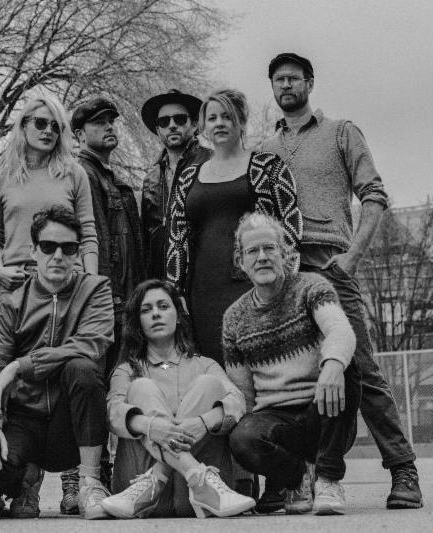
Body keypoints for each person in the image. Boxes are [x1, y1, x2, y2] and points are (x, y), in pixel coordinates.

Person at [260, 52, 422, 510]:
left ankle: (403, 469)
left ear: (310, 83)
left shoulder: (340, 132)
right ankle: (297, 478)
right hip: (285, 274)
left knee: (361, 369)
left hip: (331, 265)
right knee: (293, 375)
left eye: (293, 78)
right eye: (278, 80)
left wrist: (352, 257)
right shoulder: (265, 151)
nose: (286, 85)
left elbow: (374, 195)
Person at [0, 205, 114, 520]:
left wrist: (20, 366)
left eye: (69, 248)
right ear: (34, 251)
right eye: (48, 247)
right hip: (25, 418)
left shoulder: (95, 289)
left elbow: (92, 343)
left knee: (82, 368)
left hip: (71, 422)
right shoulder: (12, 303)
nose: (58, 256)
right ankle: (27, 478)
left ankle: (90, 482)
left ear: (78, 253)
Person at [224, 213, 361, 515]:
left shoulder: (312, 287)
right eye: (252, 251)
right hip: (276, 423)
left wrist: (333, 365)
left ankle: (328, 479)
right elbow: (244, 396)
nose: (262, 257)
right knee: (242, 438)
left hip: (325, 412)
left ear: (284, 253)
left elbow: (340, 330)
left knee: (345, 363)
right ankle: (297, 477)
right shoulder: (234, 318)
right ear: (241, 261)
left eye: (269, 248)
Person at [165, 88, 303, 365]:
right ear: (203, 126)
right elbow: (176, 240)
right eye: (212, 118)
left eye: (227, 116)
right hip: (202, 289)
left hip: (255, 284)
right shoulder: (188, 177)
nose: (219, 123)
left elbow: (290, 225)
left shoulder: (268, 166)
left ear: (241, 121)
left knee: (259, 363)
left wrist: (283, 283)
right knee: (212, 365)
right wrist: (174, 292)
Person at [99, 279, 254, 519]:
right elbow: (112, 411)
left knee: (208, 385)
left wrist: (202, 423)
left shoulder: (205, 364)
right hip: (139, 489)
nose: (156, 314)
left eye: (163, 306)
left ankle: (175, 477)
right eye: (146, 310)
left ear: (179, 315)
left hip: (196, 497)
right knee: (141, 387)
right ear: (138, 322)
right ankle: (189, 473)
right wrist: (151, 426)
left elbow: (238, 401)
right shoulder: (127, 370)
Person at [66, 96, 145, 513]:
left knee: (118, 386)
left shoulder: (115, 181)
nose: (110, 126)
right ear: (79, 134)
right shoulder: (82, 174)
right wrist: (104, 299)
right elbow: (92, 238)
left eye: (112, 120)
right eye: (99, 122)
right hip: (103, 303)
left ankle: (108, 475)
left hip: (124, 303)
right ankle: (80, 480)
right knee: (91, 387)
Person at [0, 94, 99, 308]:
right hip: (16, 282)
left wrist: (90, 282)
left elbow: (88, 234)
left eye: (56, 127)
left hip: (66, 280)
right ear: (23, 125)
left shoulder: (74, 174)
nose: (48, 131)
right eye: (40, 123)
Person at [140, 90, 211, 280]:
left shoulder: (211, 163)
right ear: (158, 130)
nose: (172, 125)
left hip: (202, 274)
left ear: (194, 124)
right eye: (164, 122)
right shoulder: (151, 179)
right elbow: (147, 238)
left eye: (179, 119)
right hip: (162, 279)